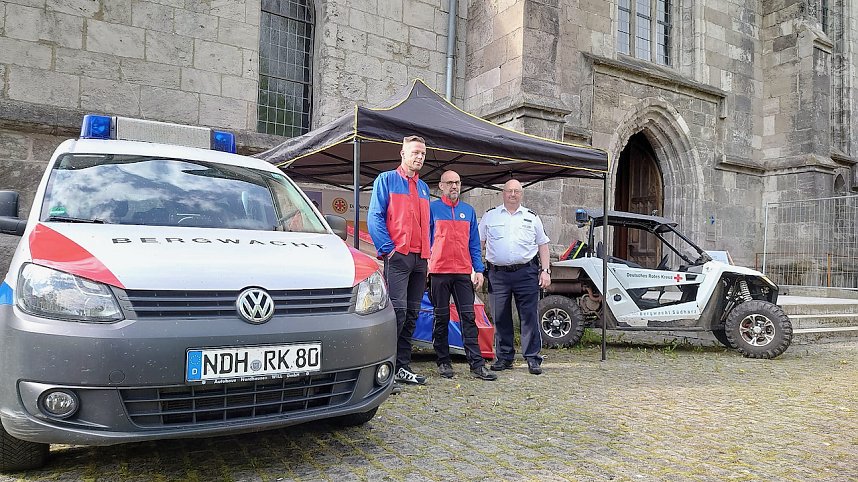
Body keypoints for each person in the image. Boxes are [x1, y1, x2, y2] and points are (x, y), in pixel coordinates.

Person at [368, 135, 431, 386]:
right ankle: (386, 369)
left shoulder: (424, 187)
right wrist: (389, 250)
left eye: (423, 154)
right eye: (415, 152)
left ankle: (402, 367)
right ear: (402, 154)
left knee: (413, 314)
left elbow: (429, 225)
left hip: (420, 259)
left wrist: (429, 252)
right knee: (398, 313)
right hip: (399, 257)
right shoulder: (386, 180)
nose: (419, 157)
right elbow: (375, 217)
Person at [428, 170, 497, 381]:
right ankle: (443, 361)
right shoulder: (432, 209)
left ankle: (476, 364)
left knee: (468, 318)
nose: (454, 186)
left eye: (457, 182)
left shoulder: (468, 211)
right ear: (441, 186)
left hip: (463, 273)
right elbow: (425, 241)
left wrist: (479, 270)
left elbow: (474, 244)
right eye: (449, 183)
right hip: (439, 272)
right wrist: (425, 269)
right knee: (441, 318)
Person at [478, 179, 551, 375]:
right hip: (498, 274)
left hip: (526, 273)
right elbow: (479, 244)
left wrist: (546, 271)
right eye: (509, 191)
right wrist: (476, 269)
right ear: (503, 193)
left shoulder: (532, 217)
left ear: (521, 194)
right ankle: (504, 357)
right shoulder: (490, 216)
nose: (512, 194)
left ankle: (533, 358)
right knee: (500, 316)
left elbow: (543, 245)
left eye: (517, 191)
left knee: (528, 316)